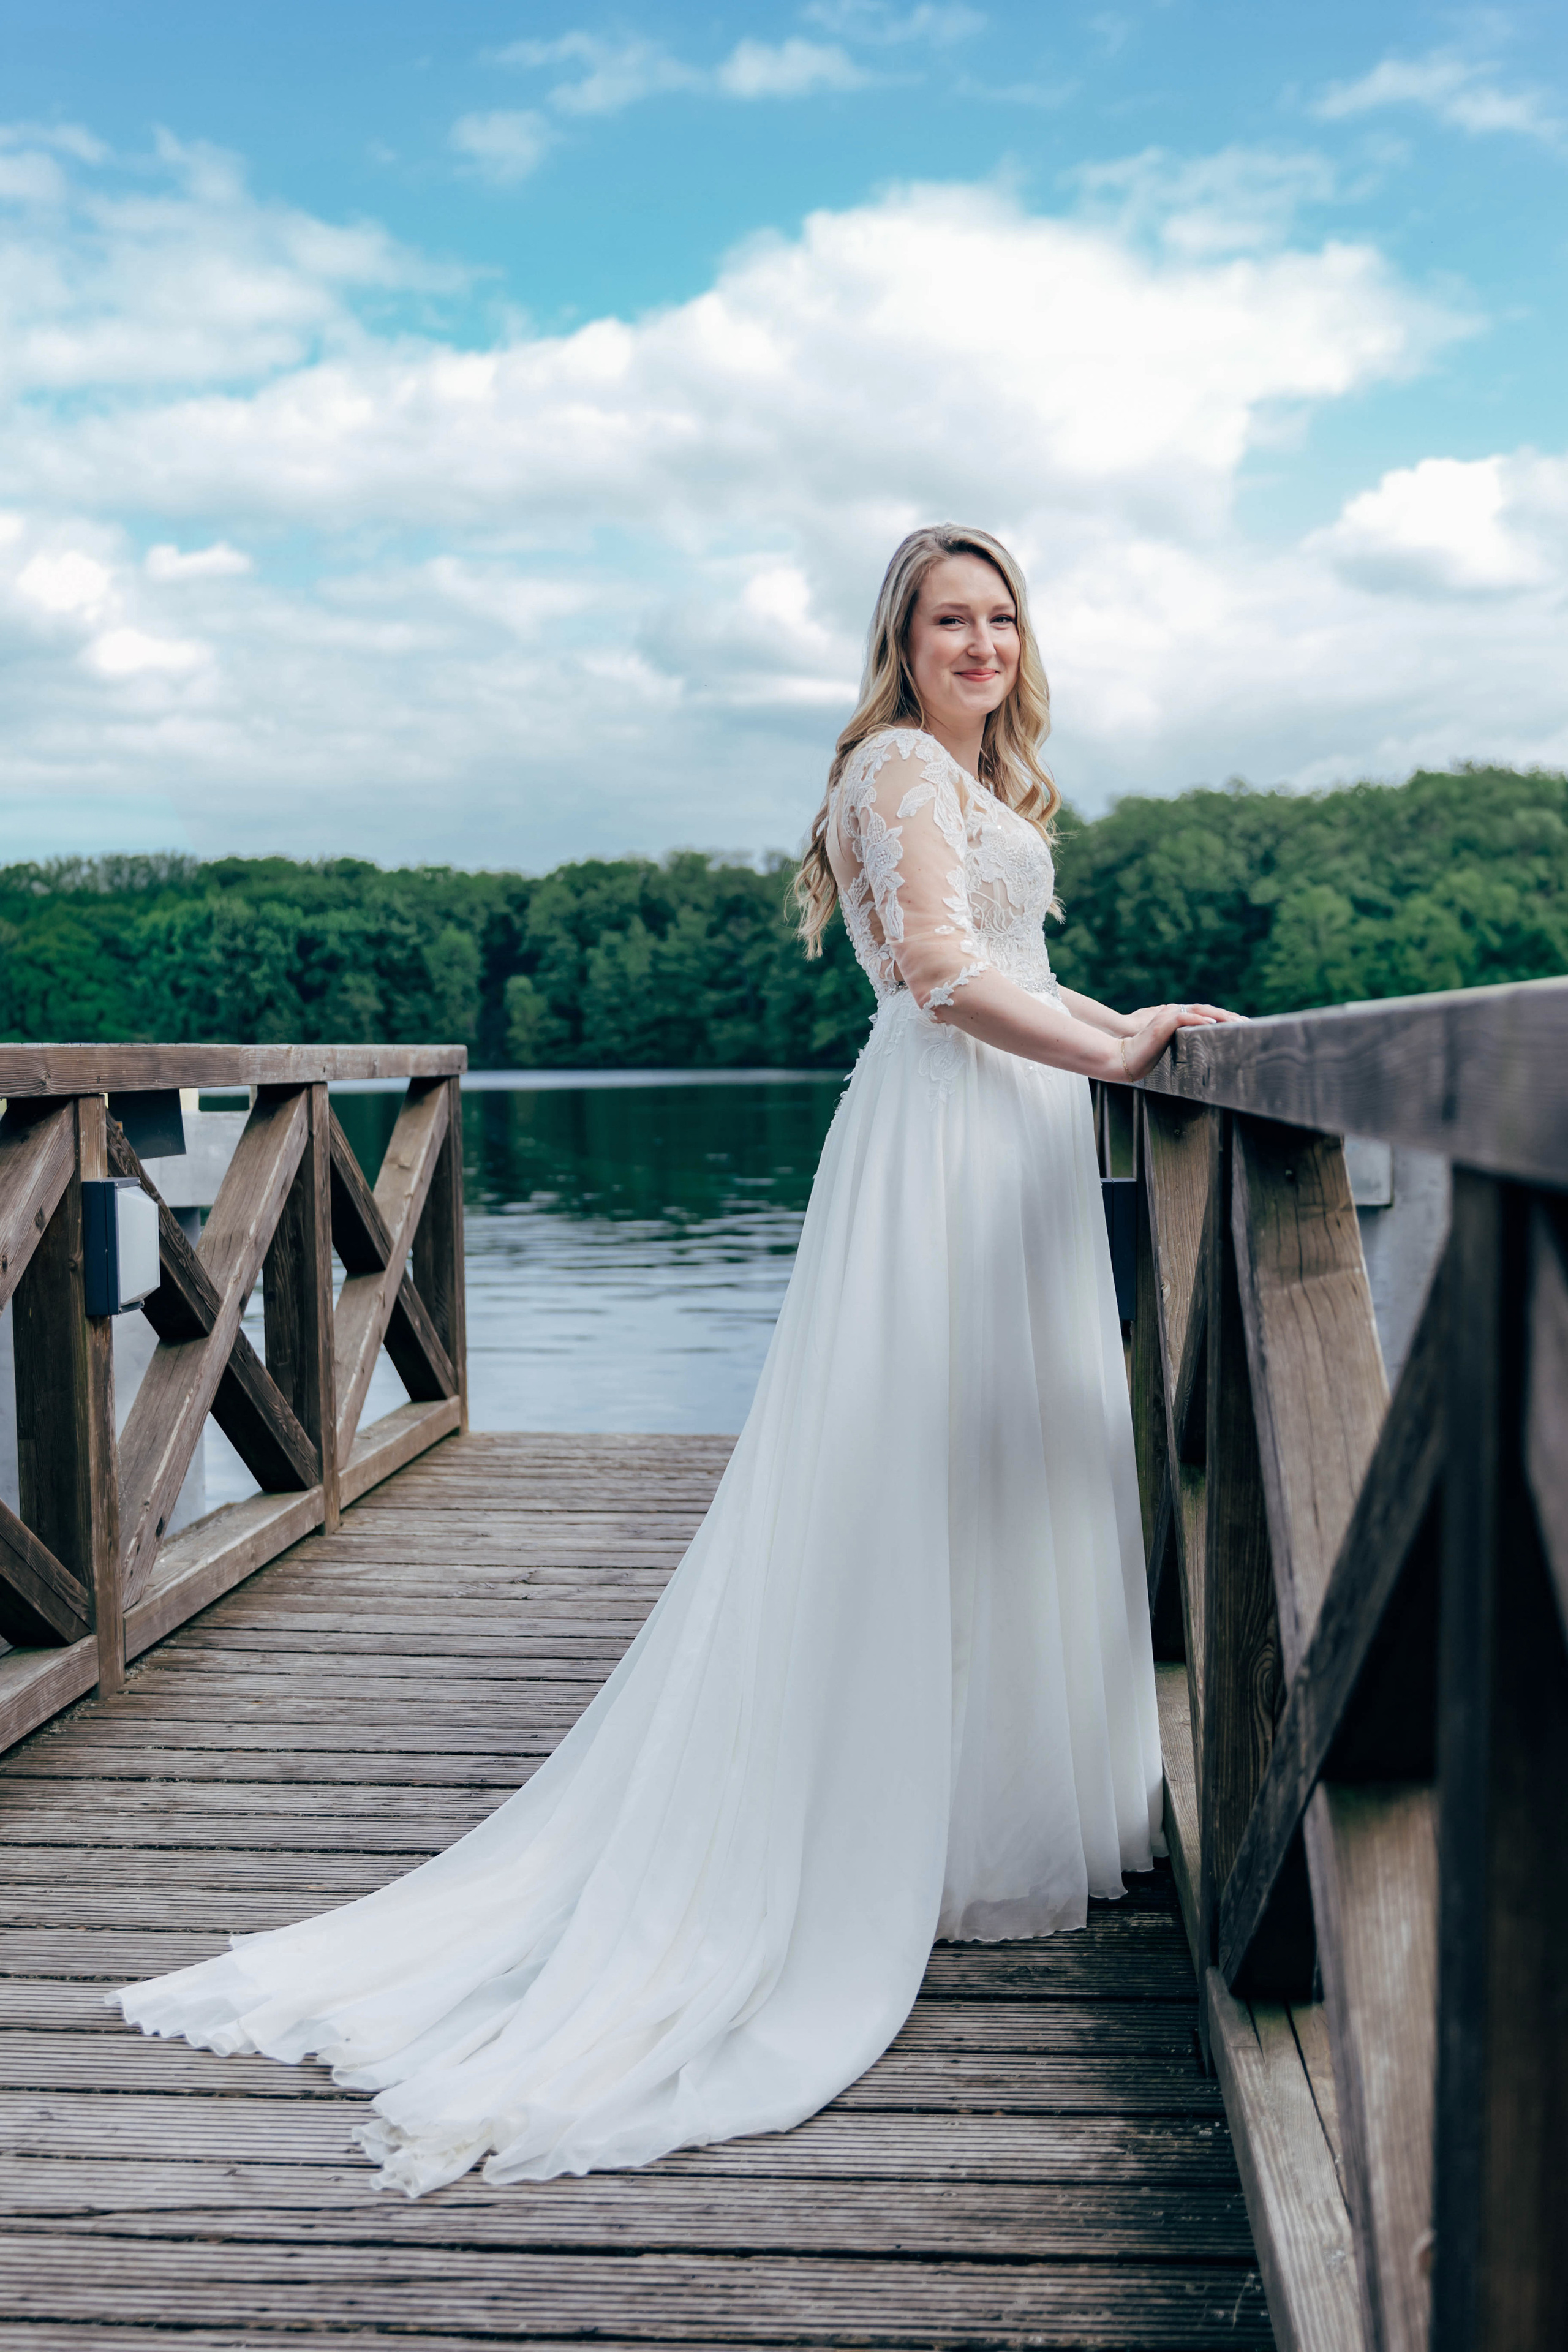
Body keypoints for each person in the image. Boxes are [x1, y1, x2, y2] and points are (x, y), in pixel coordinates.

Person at [112, 522, 1242, 2196]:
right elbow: (939, 974)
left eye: (1004, 617)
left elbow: (1015, 970)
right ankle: (871, 1833)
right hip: (944, 1140)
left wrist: (1103, 1033)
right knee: (913, 1477)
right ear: (903, 640)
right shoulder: (897, 776)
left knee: (1028, 1458)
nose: (984, 642)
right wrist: (1117, 1039)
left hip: (1018, 1141)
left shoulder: (988, 781)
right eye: (953, 618)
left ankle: (1003, 1810)